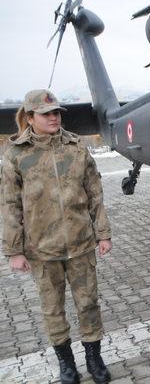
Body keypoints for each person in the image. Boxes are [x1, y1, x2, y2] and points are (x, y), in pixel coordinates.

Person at [1, 89, 112, 384]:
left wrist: (103, 233)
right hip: (41, 249)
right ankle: (66, 363)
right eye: (46, 113)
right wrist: (14, 251)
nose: (54, 117)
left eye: (56, 112)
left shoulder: (76, 147)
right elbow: (9, 204)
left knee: (88, 303)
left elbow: (95, 192)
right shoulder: (15, 154)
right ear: (30, 117)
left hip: (81, 244)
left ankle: (94, 356)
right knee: (53, 309)